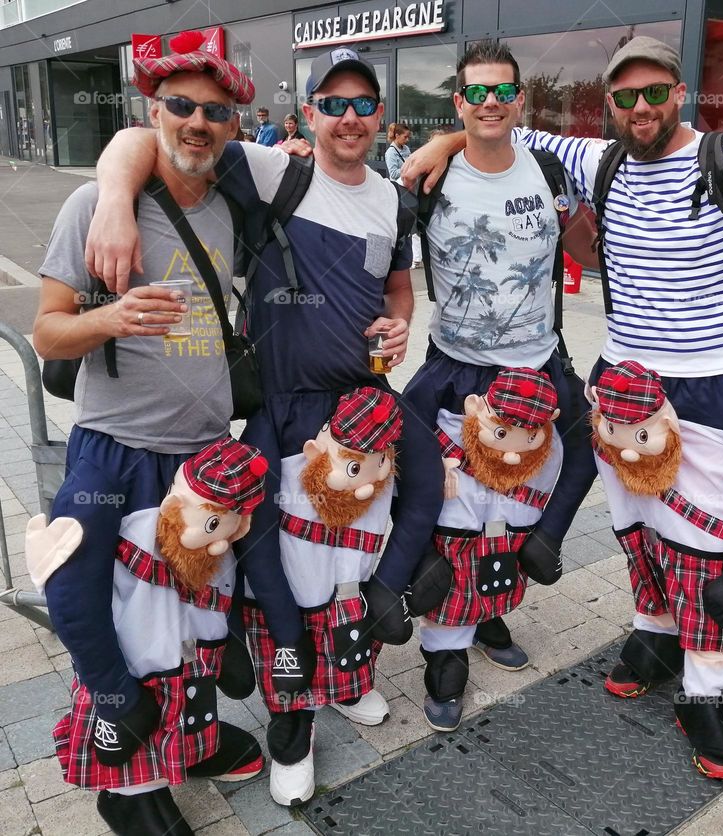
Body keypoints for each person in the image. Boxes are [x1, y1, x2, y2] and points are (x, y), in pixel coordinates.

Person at [404, 27, 723, 778]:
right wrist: (443, 143)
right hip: (623, 380)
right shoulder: (600, 159)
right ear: (611, 104)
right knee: (639, 521)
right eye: (626, 96)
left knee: (722, 529)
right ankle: (652, 634)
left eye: (656, 92)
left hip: (717, 380)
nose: (641, 106)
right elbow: (504, 124)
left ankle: (706, 686)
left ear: (680, 93)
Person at [85, 46, 444, 809]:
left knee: (389, 522)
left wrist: (401, 322)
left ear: (380, 116)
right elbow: (149, 135)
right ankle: (290, 714)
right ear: (307, 112)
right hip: (281, 407)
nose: (349, 117)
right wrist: (115, 199)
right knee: (270, 548)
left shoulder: (393, 199)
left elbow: (400, 286)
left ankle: (355, 663)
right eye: (333, 103)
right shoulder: (279, 172)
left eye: (362, 104)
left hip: (363, 402)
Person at [32, 29, 265, 834]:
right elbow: (45, 335)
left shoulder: (233, 202)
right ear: (150, 109)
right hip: (115, 449)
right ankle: (123, 773)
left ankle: (186, 736)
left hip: (202, 459)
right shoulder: (95, 204)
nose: (197, 122)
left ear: (237, 123)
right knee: (95, 602)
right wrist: (110, 317)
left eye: (215, 111)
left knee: (195, 616)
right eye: (179, 106)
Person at [400, 40, 599, 732]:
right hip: (457, 369)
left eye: (501, 92)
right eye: (474, 92)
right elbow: (384, 259)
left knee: (542, 481)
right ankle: (443, 654)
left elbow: (586, 247)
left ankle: (491, 605)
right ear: (458, 101)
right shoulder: (428, 177)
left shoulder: (547, 170)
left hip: (539, 366)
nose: (489, 102)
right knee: (455, 502)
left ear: (519, 100)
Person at [384, 121, 422, 267]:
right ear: (397, 135)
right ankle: (411, 256)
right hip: (400, 191)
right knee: (404, 224)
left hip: (411, 188)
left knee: (413, 223)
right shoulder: (390, 153)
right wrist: (408, 168)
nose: (407, 140)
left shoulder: (405, 148)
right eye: (405, 137)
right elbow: (393, 173)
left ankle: (416, 257)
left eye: (408, 137)